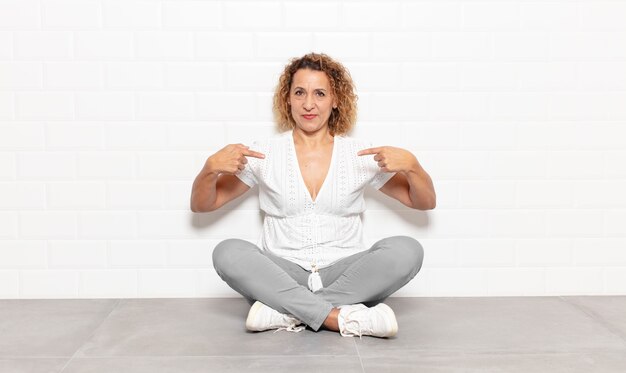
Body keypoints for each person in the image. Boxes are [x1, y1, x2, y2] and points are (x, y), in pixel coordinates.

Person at [190, 53, 436, 338]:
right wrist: (209, 169)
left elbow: (424, 202)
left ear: (335, 100)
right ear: (288, 99)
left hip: (345, 273)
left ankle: (286, 313)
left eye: (319, 93)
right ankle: (340, 317)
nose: (308, 104)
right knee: (228, 252)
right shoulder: (263, 153)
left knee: (407, 250)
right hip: (282, 274)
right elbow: (202, 205)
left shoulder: (360, 154)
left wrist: (413, 166)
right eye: (299, 93)